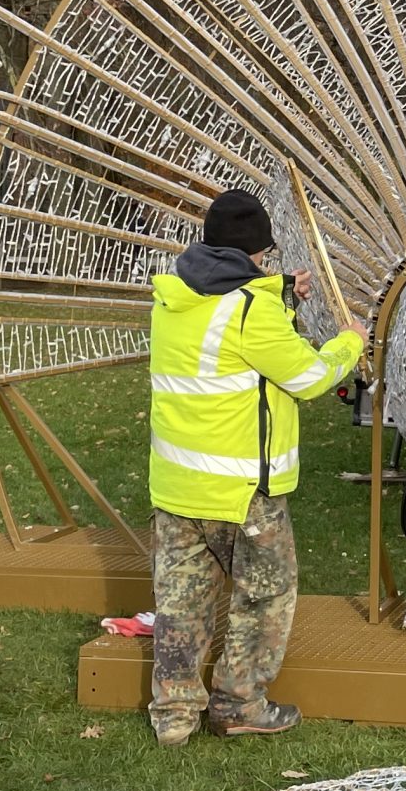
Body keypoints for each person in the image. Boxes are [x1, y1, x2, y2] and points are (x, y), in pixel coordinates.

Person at [147, 189, 365, 746]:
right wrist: (348, 343)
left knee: (180, 602)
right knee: (263, 596)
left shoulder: (173, 298)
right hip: (243, 491)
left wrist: (283, 297)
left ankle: (173, 717)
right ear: (254, 254)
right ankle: (239, 703)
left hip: (177, 486)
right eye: (265, 257)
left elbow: (231, 347)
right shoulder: (251, 308)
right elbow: (310, 377)